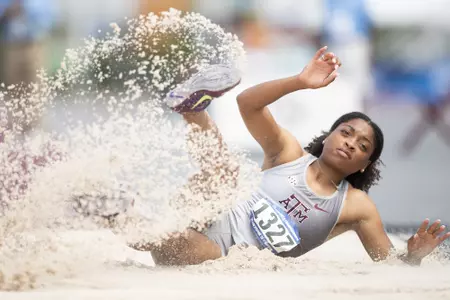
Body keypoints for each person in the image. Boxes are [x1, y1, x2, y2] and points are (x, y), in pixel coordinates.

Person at [108, 47, 450, 266]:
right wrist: (300, 81)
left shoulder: (355, 206)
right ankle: (193, 110)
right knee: (224, 177)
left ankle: (110, 210)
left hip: (212, 255)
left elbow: (388, 265)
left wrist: (414, 258)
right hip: (203, 209)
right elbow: (248, 104)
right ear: (328, 136)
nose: (350, 144)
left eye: (362, 146)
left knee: (171, 237)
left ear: (365, 164)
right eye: (346, 132)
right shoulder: (288, 154)